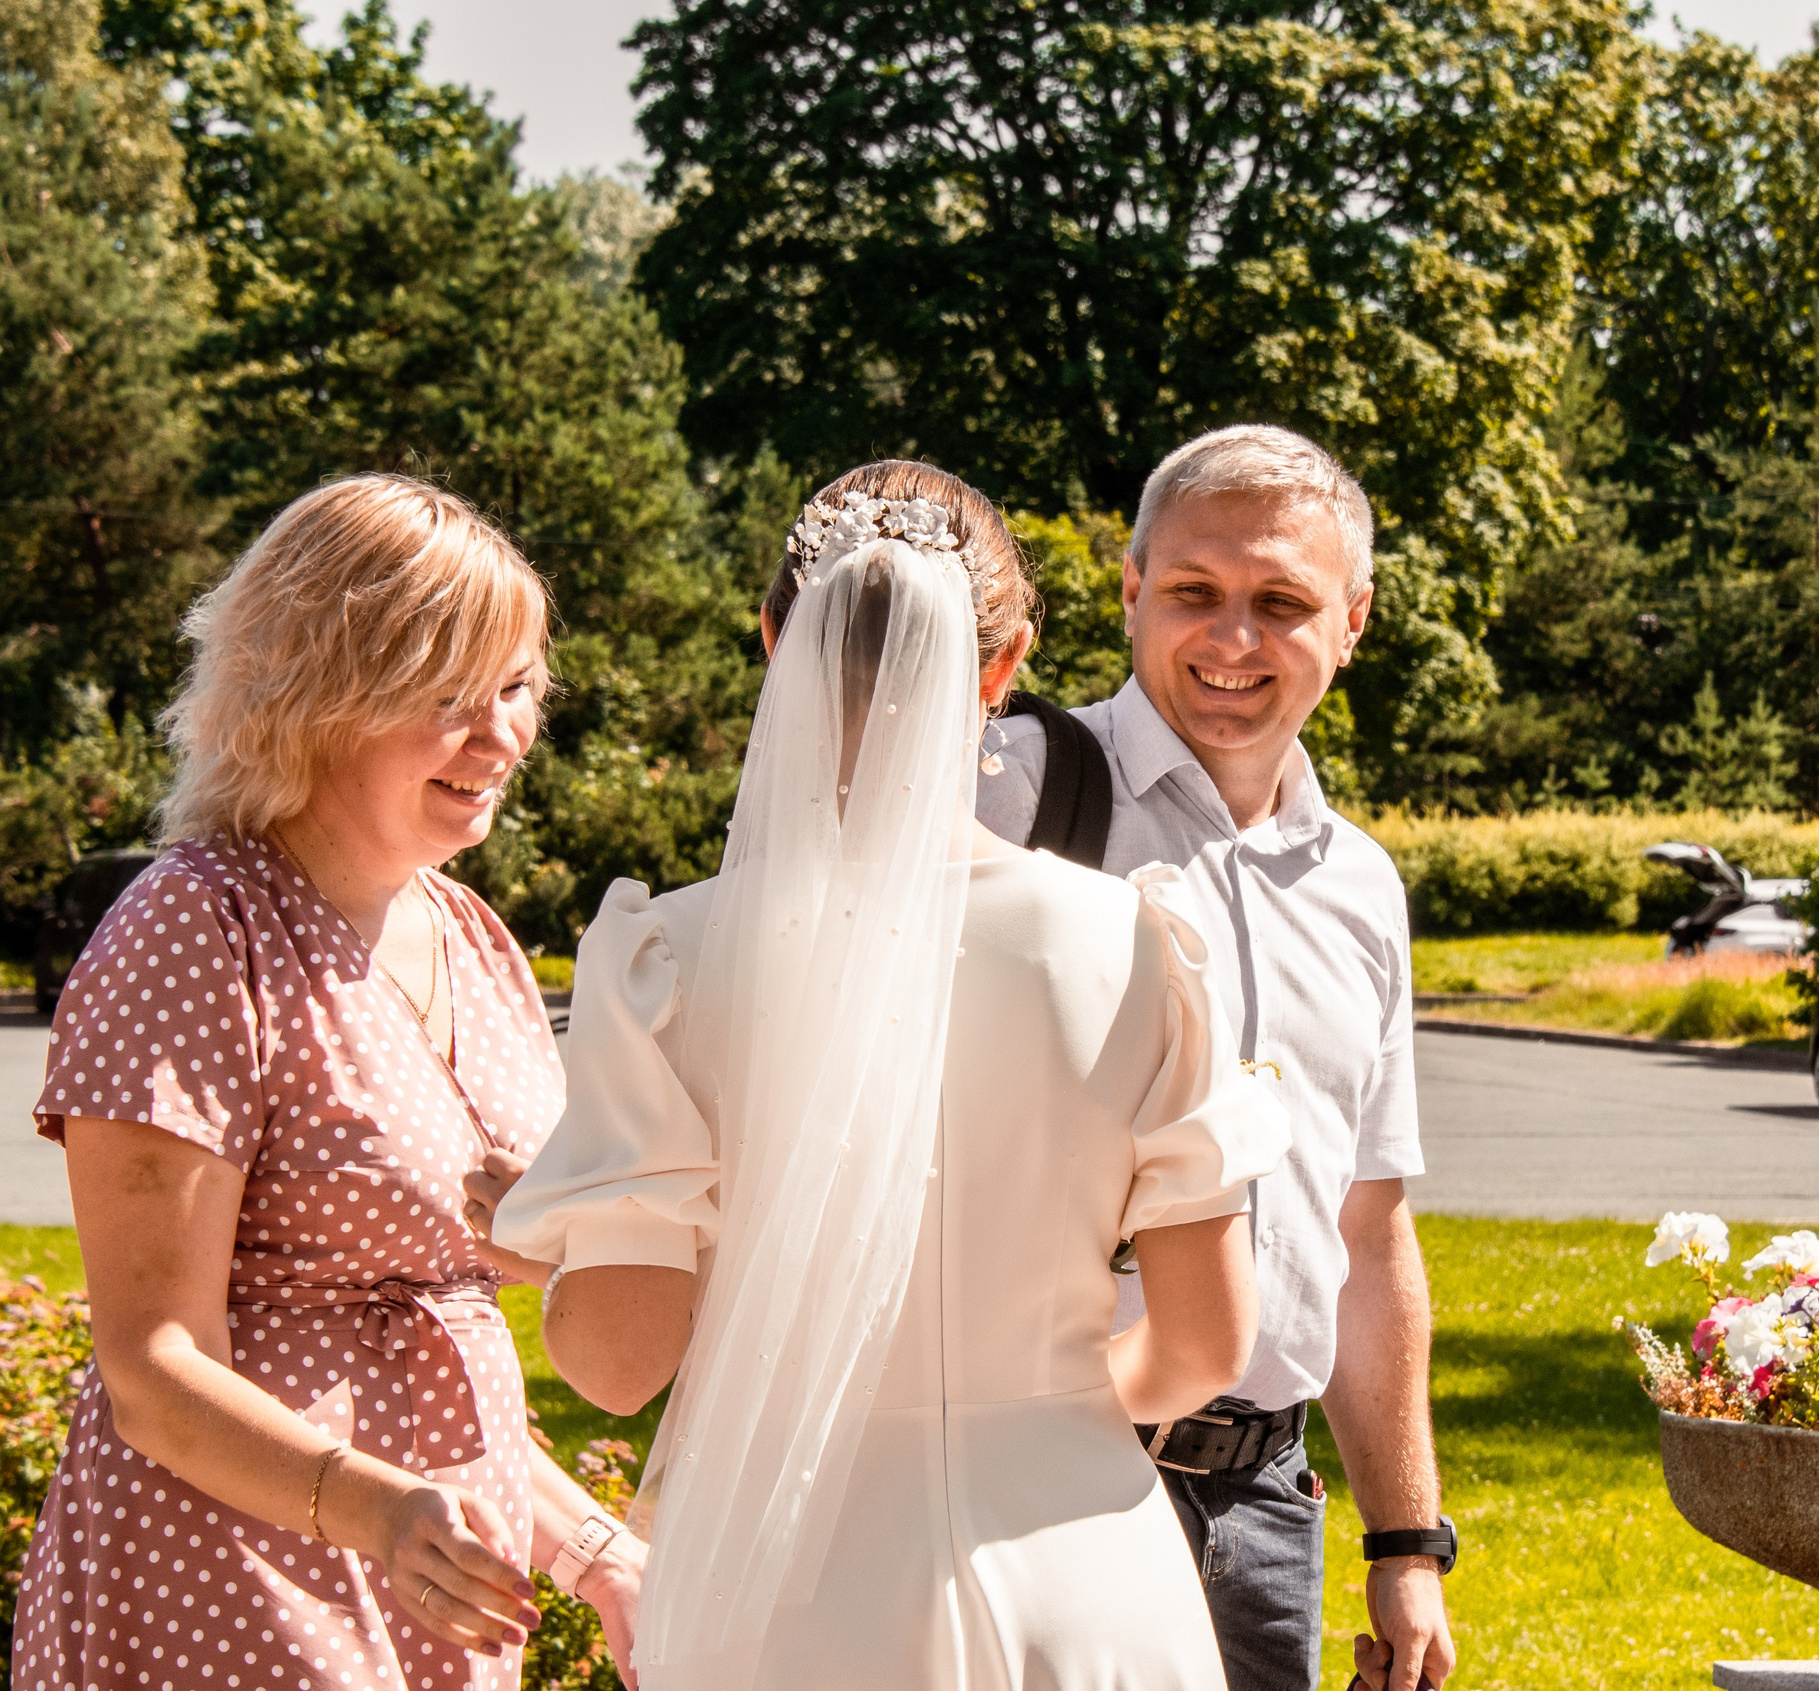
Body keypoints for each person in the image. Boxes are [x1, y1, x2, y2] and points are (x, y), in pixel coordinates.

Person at [488, 459, 1290, 1691]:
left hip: (790, 1595)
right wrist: (1043, 1413)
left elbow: (618, 1359)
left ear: (774, 642)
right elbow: (1203, 1340)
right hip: (1083, 1570)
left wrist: (538, 1231)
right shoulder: (1139, 945)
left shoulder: (664, 962)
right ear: (1007, 661)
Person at [10, 475, 644, 1691]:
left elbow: (420, 1338)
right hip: (228, 1587)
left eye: (516, 689)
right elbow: (153, 1365)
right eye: (450, 695)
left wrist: (601, 1557)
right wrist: (372, 1508)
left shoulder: (475, 937)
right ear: (317, 694)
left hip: (427, 1575)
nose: (503, 735)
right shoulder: (194, 926)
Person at [975, 424, 1454, 1691]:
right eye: (1194, 592)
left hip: (1263, 1519)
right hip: (1033, 1488)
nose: (1233, 638)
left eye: (1281, 603)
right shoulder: (1008, 795)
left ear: (1350, 621)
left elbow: (1367, 1231)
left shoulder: (1359, 884)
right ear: (1132, 590)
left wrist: (1406, 1539)